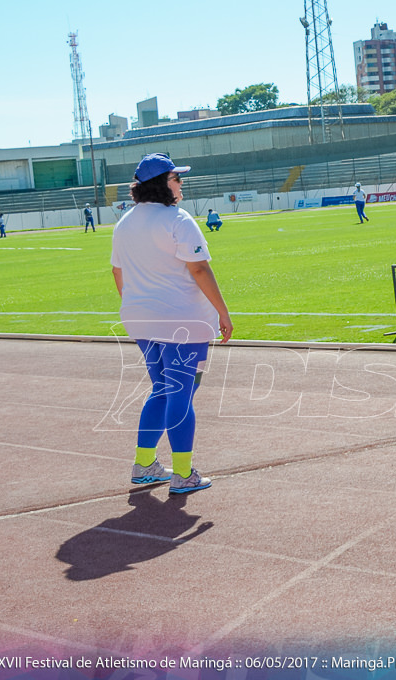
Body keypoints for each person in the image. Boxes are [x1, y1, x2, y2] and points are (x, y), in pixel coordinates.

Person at [111, 153, 233, 494]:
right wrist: (223, 312)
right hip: (182, 321)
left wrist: (138, 307)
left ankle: (145, 464)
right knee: (181, 393)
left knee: (162, 390)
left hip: (141, 320)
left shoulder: (124, 224)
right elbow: (199, 269)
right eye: (177, 178)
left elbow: (117, 273)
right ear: (163, 183)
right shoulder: (178, 220)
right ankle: (183, 473)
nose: (181, 184)